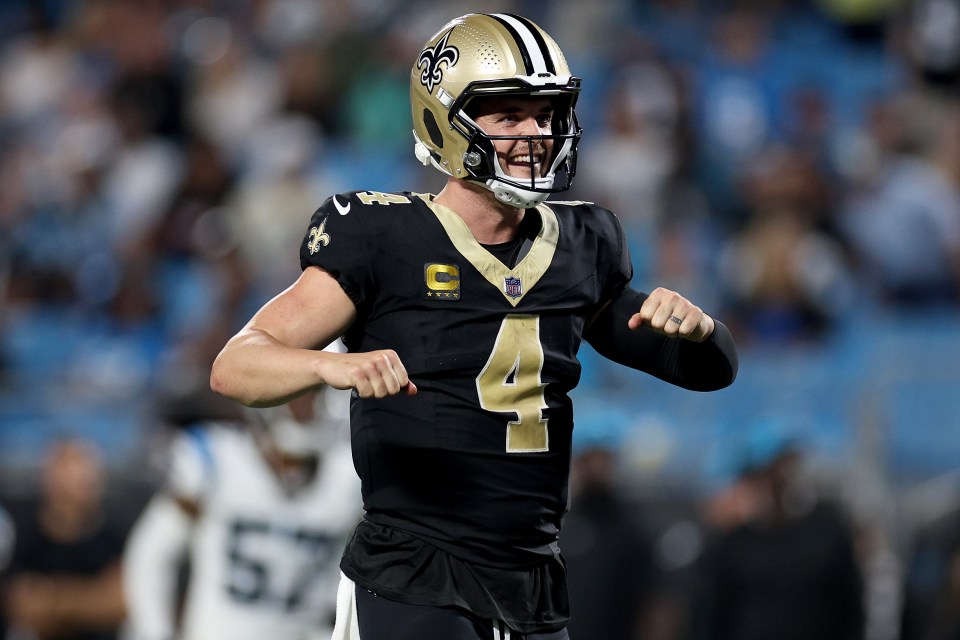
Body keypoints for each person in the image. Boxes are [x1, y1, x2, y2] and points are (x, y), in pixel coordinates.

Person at [209, 12, 738, 640]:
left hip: (531, 579)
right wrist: (330, 364)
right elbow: (235, 367)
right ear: (444, 120)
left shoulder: (582, 243)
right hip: (414, 573)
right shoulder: (383, 236)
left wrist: (699, 331)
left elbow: (707, 371)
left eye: (545, 114)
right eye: (508, 115)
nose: (535, 133)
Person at [122, 351, 360, 640]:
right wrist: (153, 631)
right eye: (299, 394)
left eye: (314, 395)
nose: (307, 406)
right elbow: (153, 553)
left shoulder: (350, 474)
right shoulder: (215, 460)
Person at [2, 438, 127, 640]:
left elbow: (121, 603)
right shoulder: (21, 536)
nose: (83, 479)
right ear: (49, 480)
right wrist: (93, 599)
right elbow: (23, 608)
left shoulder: (114, 535)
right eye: (69, 471)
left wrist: (53, 598)